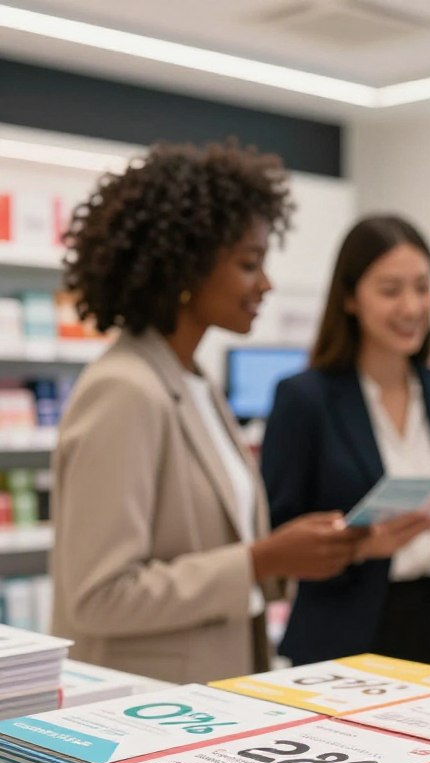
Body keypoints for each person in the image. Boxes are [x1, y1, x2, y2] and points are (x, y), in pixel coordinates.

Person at [51, 141, 364, 684]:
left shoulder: (194, 382)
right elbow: (98, 596)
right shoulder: (126, 391)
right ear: (185, 267)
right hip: (137, 707)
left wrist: (286, 555)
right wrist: (260, 560)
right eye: (249, 263)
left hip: (206, 696)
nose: (264, 284)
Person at [261, 215, 430, 670]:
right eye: (390, 290)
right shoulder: (305, 399)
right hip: (339, 638)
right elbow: (277, 536)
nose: (411, 306)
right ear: (349, 298)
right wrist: (361, 546)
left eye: (422, 288)